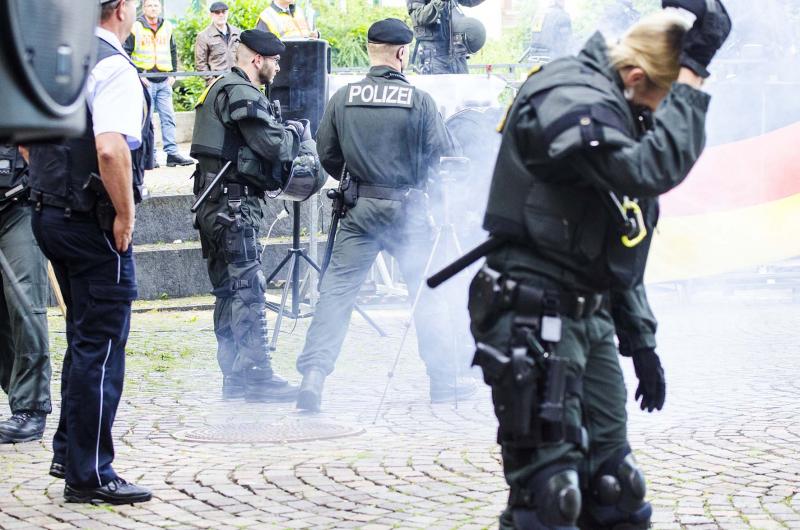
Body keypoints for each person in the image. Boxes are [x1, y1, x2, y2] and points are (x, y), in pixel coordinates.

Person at [467, 2, 730, 528]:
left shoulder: (617, 109)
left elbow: (617, 237)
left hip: (590, 314)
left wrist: (642, 342)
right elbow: (651, 169)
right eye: (661, 101)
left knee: (617, 490)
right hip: (531, 308)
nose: (657, 120)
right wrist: (693, 70)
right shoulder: (567, 93)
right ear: (635, 77)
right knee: (550, 496)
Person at [295, 18, 476, 413]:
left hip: (358, 210)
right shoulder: (420, 101)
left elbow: (327, 153)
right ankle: (444, 383)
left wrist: (356, 178)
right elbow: (441, 156)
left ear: (369, 50)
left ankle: (313, 377)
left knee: (336, 294)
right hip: (407, 213)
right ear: (401, 52)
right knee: (427, 293)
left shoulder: (343, 97)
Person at [26, 0, 154, 505]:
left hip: (50, 210)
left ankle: (69, 451)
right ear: (121, 8)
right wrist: (124, 213)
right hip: (92, 220)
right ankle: (90, 473)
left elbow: (26, 139)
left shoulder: (59, 57)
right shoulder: (112, 65)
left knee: (82, 340)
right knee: (100, 347)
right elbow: (110, 148)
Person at [190, 29, 302, 403]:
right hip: (234, 206)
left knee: (227, 290)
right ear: (258, 60)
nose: (278, 66)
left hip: (213, 204)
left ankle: (234, 375)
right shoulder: (242, 92)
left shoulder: (218, 86)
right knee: (249, 289)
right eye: (274, 60)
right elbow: (274, 146)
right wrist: (296, 135)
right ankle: (255, 374)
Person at [0, 145, 51, 444]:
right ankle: (16, 391)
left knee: (25, 304)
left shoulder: (20, 97)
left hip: (18, 205)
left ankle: (30, 408)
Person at [124, 0, 193, 167]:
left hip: (164, 80)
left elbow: (173, 50)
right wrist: (138, 75)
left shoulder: (167, 26)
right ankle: (151, 156)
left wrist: (173, 75)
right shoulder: (136, 27)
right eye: (149, 5)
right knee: (148, 121)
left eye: (156, 5)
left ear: (160, 8)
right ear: (144, 8)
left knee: (168, 117)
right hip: (146, 81)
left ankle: (172, 154)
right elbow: (126, 51)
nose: (153, 8)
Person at [407, 0, 486, 74]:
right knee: (438, 88)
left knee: (463, 86)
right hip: (435, 58)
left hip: (457, 54)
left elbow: (469, 1)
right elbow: (418, 17)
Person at [195, 1, 242, 85]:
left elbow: (243, 56)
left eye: (223, 12)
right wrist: (212, 81)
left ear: (227, 13)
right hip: (217, 82)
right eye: (217, 12)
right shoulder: (204, 36)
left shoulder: (237, 33)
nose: (221, 15)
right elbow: (200, 64)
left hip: (237, 80)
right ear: (211, 15)